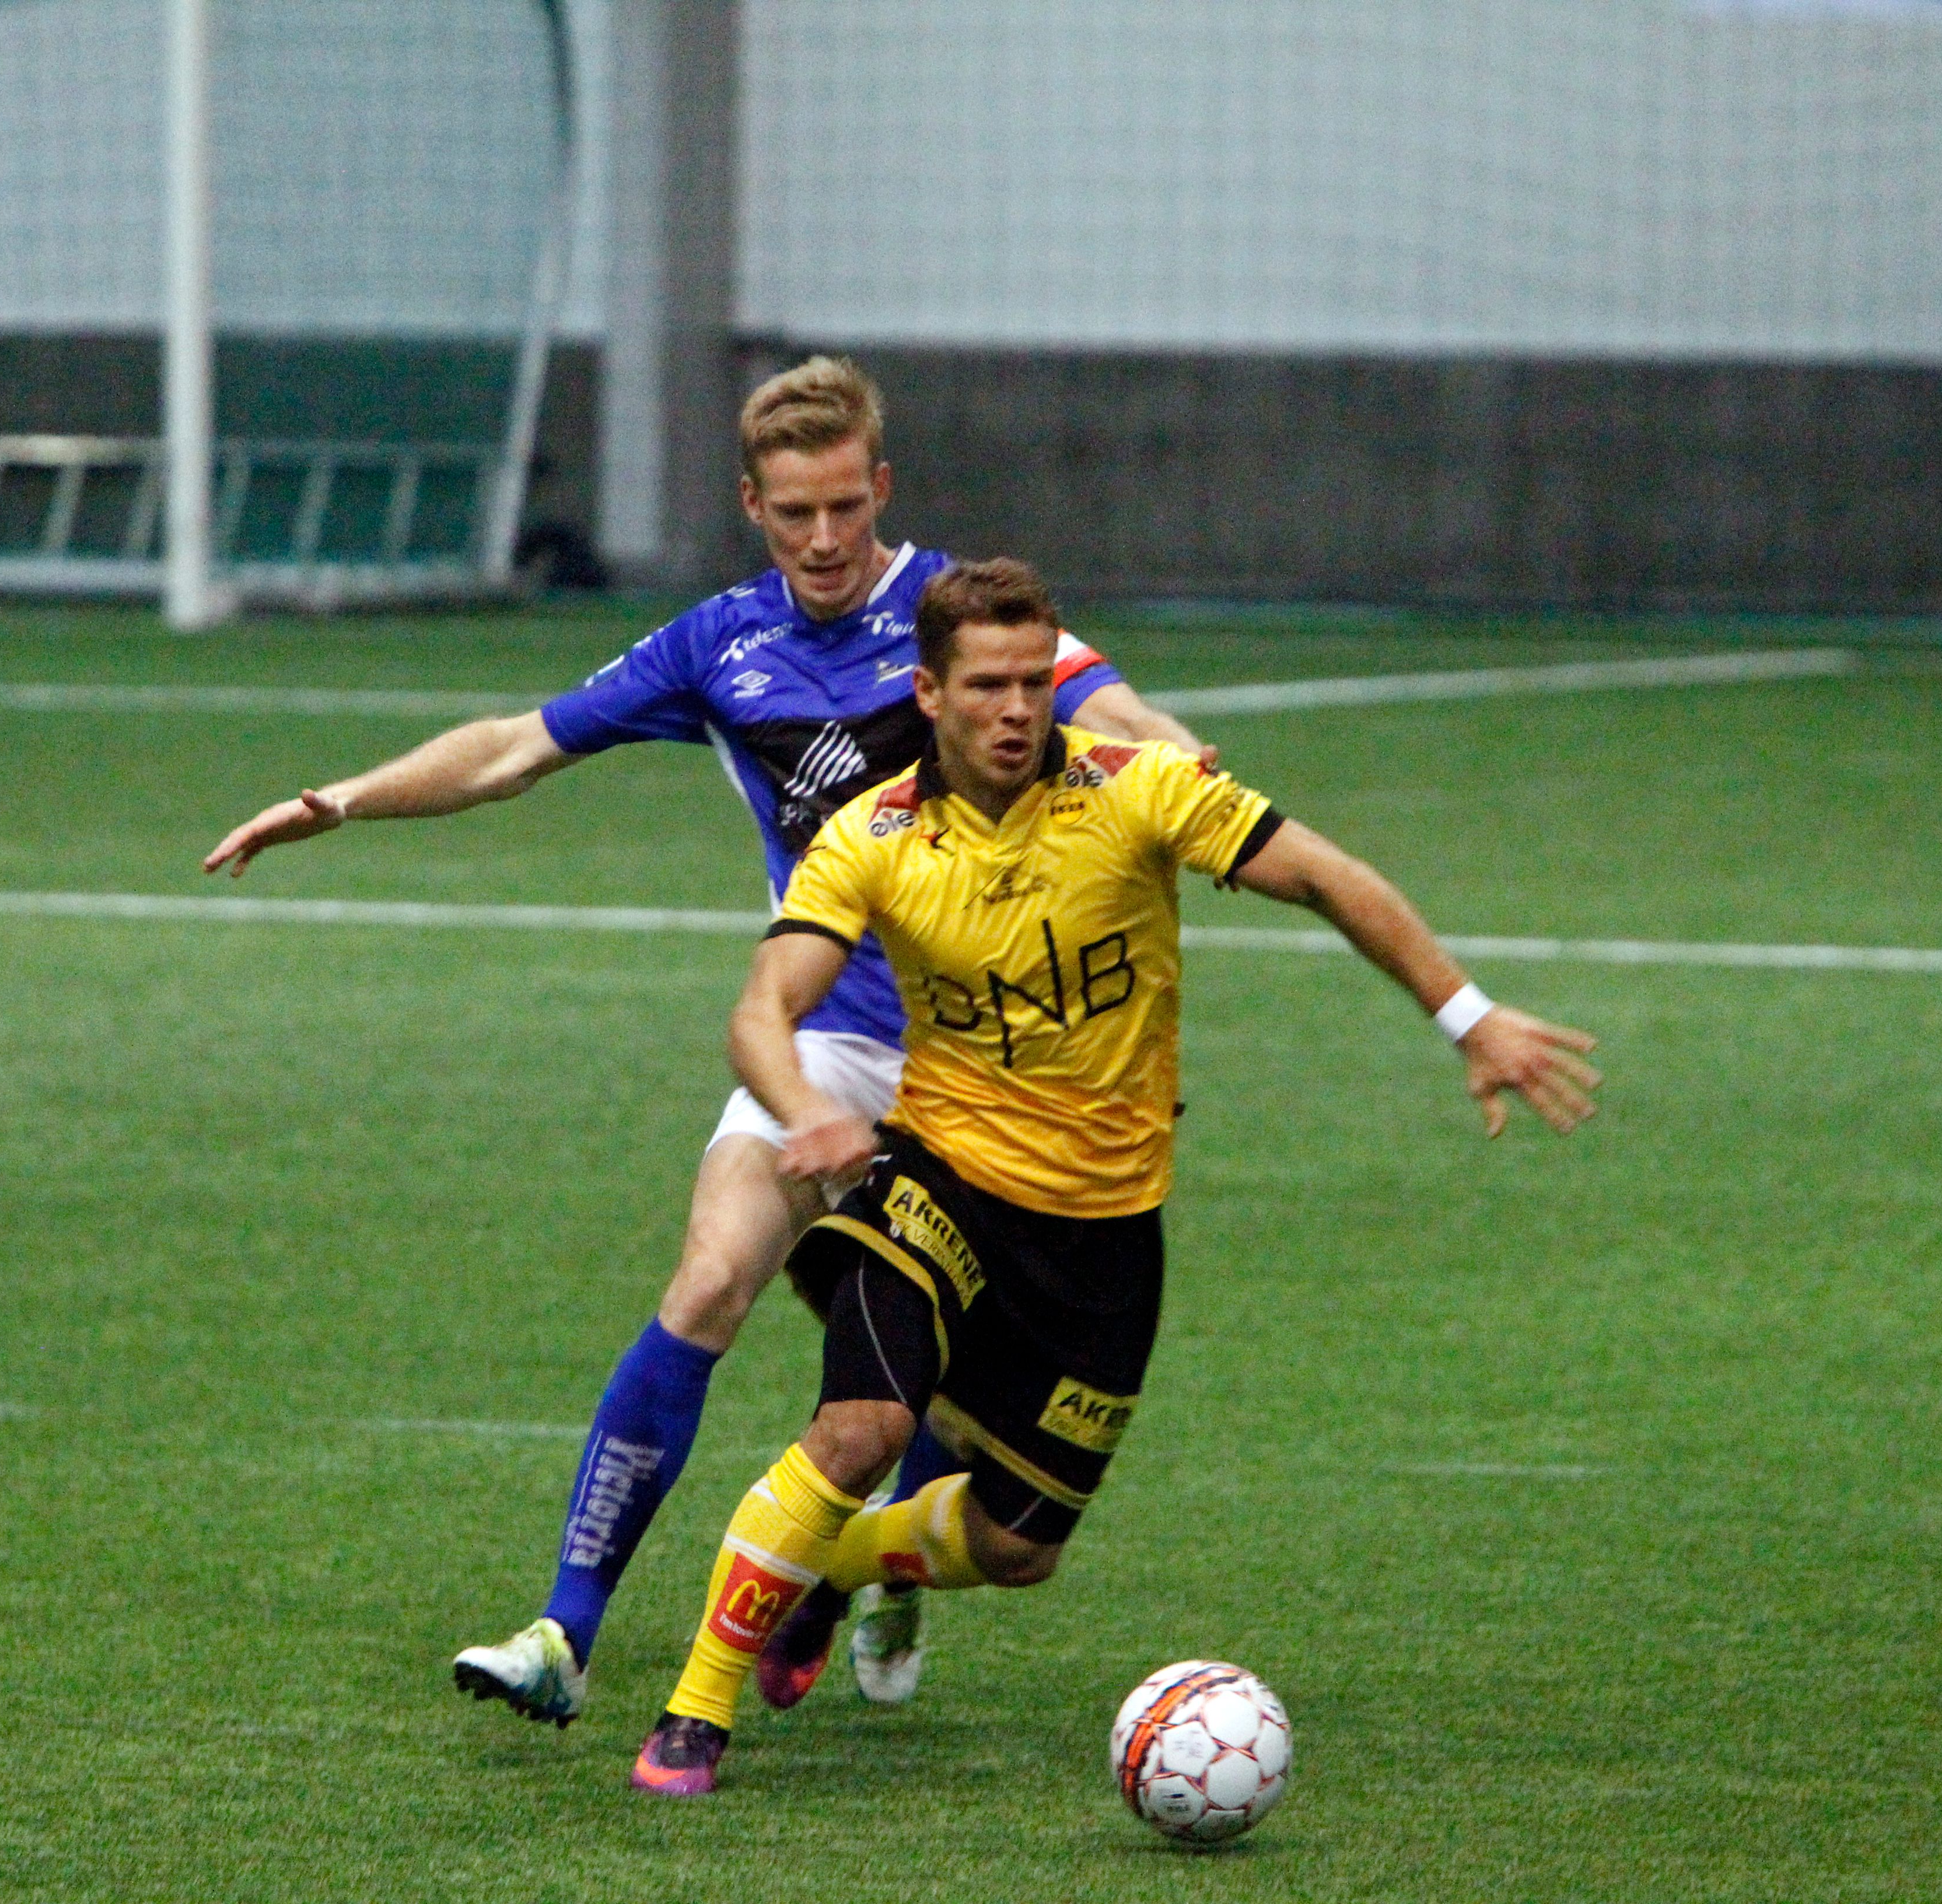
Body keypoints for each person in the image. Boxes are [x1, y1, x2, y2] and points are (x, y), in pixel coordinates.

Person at [201, 360, 1206, 1726]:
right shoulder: (719, 646)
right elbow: (513, 748)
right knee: (712, 1278)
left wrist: (1184, 764)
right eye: (795, 513)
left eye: (846, 506)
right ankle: (564, 1632)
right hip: (828, 1045)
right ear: (752, 506)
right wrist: (338, 801)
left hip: (991, 1066)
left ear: (881, 488)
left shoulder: (957, 615)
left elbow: (1120, 718)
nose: (825, 539)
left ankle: (867, 1570)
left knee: (946, 1382)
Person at [629, 556, 1599, 1796]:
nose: (1016, 709)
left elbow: (1327, 877)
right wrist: (810, 1109)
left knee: (1017, 1549)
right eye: (987, 685)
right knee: (864, 1426)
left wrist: (1469, 1017)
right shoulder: (871, 836)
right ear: (928, 693)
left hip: (1101, 1233)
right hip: (939, 1179)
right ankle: (694, 1714)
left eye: (1035, 682)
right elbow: (763, 1008)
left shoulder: (1140, 792)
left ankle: (832, 1565)